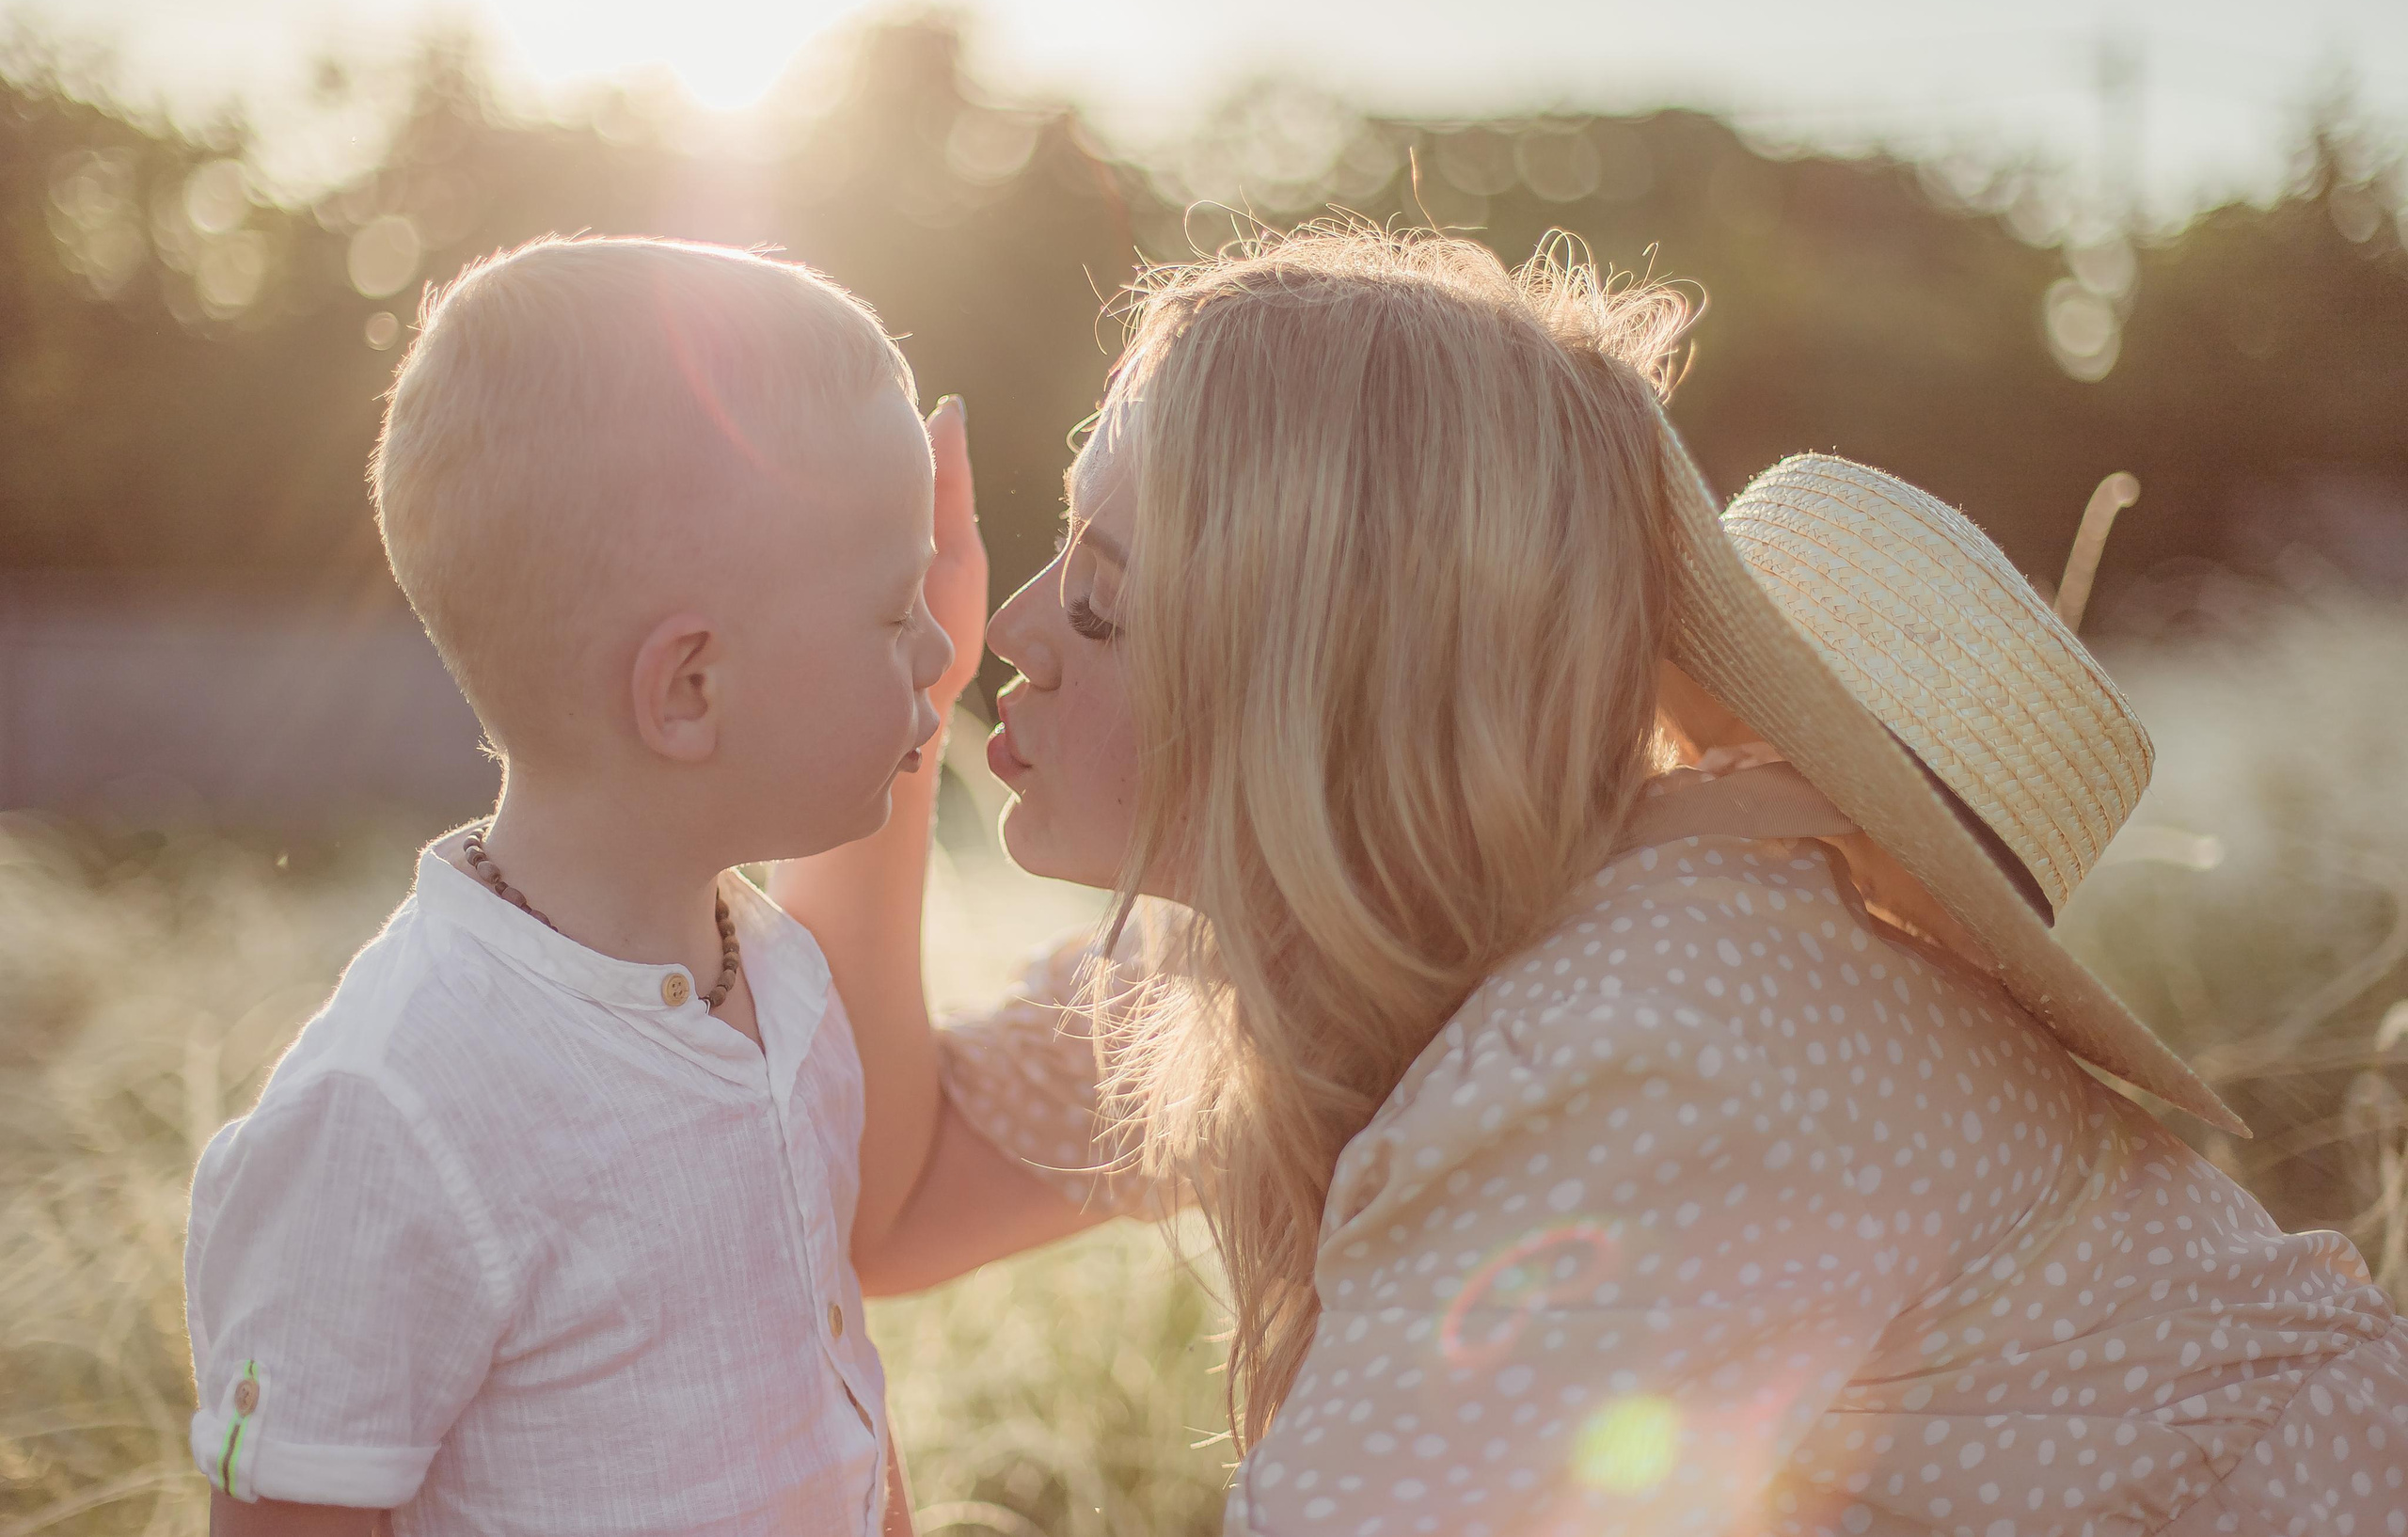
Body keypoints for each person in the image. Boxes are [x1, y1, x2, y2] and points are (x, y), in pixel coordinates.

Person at [777, 225, 2408, 1534]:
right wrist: (882, 700)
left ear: (1326, 686)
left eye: (1110, 600)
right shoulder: (1358, 936)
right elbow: (878, 1196)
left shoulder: (1652, 1031)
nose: (1015, 628)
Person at [184, 237, 985, 1536]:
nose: (946, 648)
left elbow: (837, 1399)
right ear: (688, 689)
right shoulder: (388, 1110)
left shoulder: (780, 979)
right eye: (897, 610)